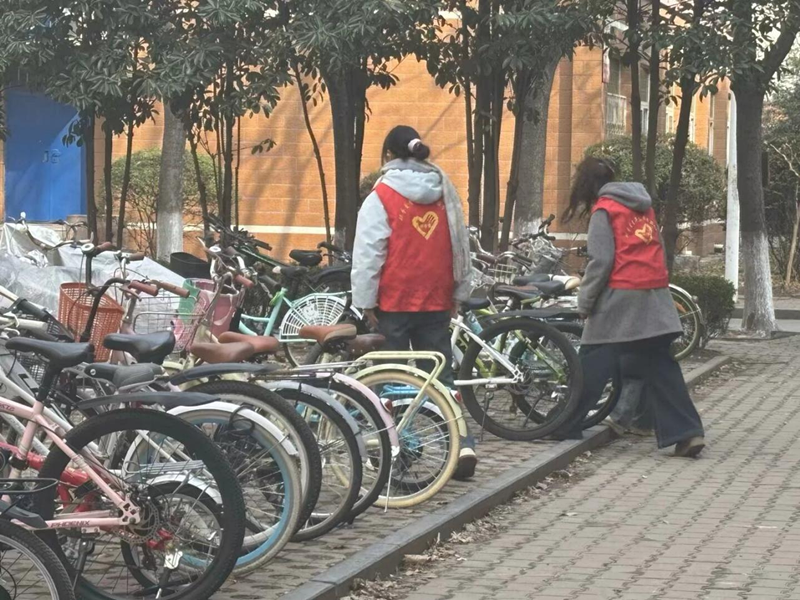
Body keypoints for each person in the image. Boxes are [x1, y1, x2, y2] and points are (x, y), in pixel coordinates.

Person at [553, 157, 706, 458]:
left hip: (620, 301)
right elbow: (655, 247)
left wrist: (585, 301)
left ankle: (564, 423)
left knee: (592, 362)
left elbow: (601, 262)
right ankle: (688, 433)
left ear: (586, 185)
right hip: (655, 296)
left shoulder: (604, 211)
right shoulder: (643, 206)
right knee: (661, 367)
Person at [351, 125, 478, 478]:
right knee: (439, 375)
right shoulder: (444, 191)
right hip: (437, 297)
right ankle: (461, 444)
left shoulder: (381, 195)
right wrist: (458, 292)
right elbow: (459, 244)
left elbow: (369, 253)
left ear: (389, 155)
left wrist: (365, 300)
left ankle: (394, 448)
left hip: (394, 299)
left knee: (389, 375)